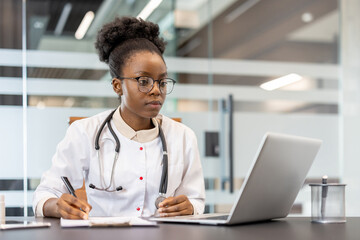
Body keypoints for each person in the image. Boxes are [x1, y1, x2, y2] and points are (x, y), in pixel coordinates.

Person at [32, 17, 205, 219]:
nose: (156, 90)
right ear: (117, 85)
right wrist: (56, 206)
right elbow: (44, 194)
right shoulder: (84, 132)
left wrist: (190, 207)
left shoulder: (183, 137)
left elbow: (196, 200)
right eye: (144, 81)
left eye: (162, 82)